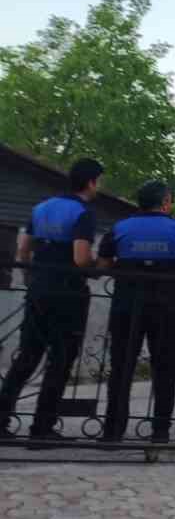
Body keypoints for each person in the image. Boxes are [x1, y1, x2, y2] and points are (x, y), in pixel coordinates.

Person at [0, 157, 104, 446]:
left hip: (39, 289)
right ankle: (41, 428)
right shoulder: (83, 213)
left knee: (27, 356)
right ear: (92, 181)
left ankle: (1, 420)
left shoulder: (41, 208)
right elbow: (81, 259)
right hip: (68, 294)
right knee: (60, 360)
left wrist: (32, 280)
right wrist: (100, 266)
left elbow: (23, 252)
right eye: (100, 181)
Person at [97, 179, 175, 446]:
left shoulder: (119, 228)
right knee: (165, 369)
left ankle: (112, 433)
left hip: (126, 306)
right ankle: (160, 432)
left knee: (121, 368)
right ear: (166, 202)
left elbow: (102, 265)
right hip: (165, 306)